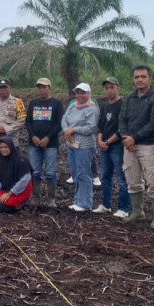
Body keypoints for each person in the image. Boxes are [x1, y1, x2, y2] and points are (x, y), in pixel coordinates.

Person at [118, 65, 154, 225]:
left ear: (149, 78)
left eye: (143, 76)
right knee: (132, 178)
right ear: (133, 79)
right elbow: (122, 119)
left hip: (149, 145)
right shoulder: (129, 98)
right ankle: (137, 211)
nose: (139, 79)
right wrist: (126, 138)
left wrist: (135, 138)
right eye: (137, 77)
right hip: (129, 146)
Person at [25, 77, 64, 208]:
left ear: (49, 88)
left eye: (44, 87)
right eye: (39, 87)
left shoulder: (56, 104)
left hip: (50, 144)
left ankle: (51, 199)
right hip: (34, 144)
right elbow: (28, 122)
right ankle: (36, 198)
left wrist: (48, 137)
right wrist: (33, 136)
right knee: (35, 172)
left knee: (50, 173)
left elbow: (59, 123)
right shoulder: (32, 103)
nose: (41, 90)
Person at [61, 83, 99, 212]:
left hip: (85, 145)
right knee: (76, 173)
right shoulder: (73, 106)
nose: (80, 95)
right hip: (71, 144)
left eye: (83, 93)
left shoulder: (92, 109)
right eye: (78, 92)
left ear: (89, 94)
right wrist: (67, 130)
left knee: (84, 173)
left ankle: (85, 203)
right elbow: (64, 119)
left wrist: (73, 129)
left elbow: (91, 127)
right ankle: (78, 200)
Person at [95, 77, 130, 217]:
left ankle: (124, 208)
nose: (109, 90)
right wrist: (100, 140)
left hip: (117, 146)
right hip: (104, 146)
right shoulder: (104, 106)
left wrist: (108, 141)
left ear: (118, 87)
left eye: (112, 87)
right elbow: (101, 126)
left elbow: (122, 128)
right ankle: (106, 204)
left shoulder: (123, 105)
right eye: (107, 88)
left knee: (122, 178)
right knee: (105, 176)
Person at [0, 79, 26, 168]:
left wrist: (6, 129)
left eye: (5, 88)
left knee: (12, 166)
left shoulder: (18, 102)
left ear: (10, 88)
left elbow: (21, 120)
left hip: (11, 141)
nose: (3, 90)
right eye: (1, 88)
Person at [0, 137, 32, 213]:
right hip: (7, 188)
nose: (3, 149)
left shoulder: (21, 159)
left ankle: (21, 204)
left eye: (6, 147)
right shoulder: (3, 159)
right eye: (1, 147)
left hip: (19, 191)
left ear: (11, 147)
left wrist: (9, 194)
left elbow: (25, 180)